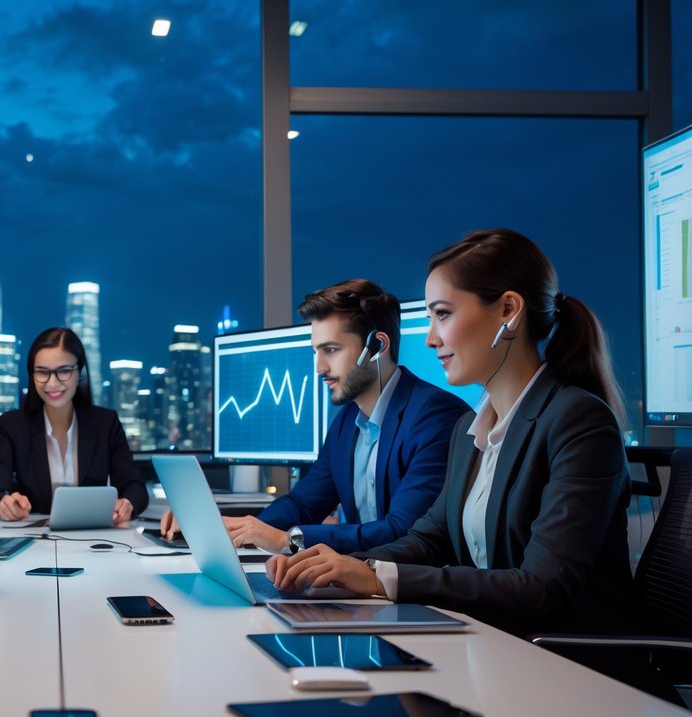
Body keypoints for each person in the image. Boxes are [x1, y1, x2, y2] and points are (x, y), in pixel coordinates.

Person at [269, 228, 634, 637]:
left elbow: (542, 589)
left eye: (442, 314)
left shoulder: (578, 422)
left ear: (508, 310)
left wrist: (378, 579)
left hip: (573, 669)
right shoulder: (471, 429)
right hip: (493, 646)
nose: (429, 338)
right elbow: (430, 538)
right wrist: (347, 567)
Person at [162, 280, 469, 553]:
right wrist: (241, 528)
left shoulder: (435, 417)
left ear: (377, 346)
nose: (319, 368)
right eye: (315, 352)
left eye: (331, 350)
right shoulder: (348, 421)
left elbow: (402, 532)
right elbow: (303, 504)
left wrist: (289, 540)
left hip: (415, 597)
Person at [0, 327, 148, 524]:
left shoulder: (105, 423)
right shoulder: (12, 426)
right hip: (34, 540)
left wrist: (126, 503)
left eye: (63, 371)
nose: (52, 383)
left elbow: (136, 488)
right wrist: (4, 503)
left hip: (94, 539)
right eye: (42, 372)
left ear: (80, 371)